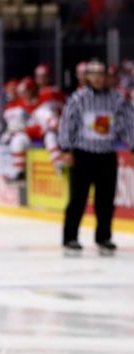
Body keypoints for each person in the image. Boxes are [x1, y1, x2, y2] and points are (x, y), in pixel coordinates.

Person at [58, 59, 134, 256]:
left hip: (106, 155)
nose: (99, 78)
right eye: (95, 74)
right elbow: (67, 123)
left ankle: (103, 237)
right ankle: (70, 237)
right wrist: (65, 148)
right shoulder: (78, 99)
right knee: (78, 198)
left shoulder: (117, 99)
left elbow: (127, 123)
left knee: (106, 200)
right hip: (83, 155)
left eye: (102, 74)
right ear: (87, 77)